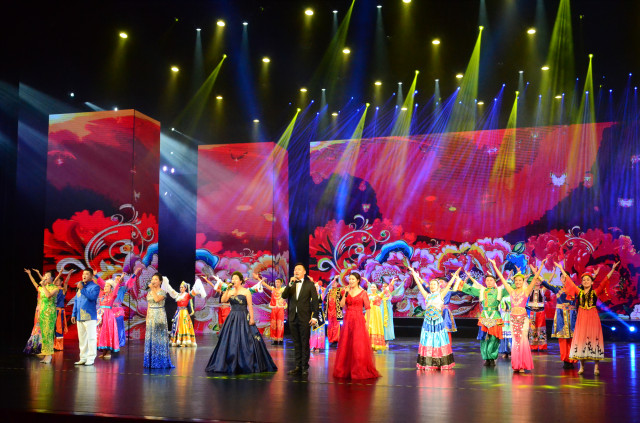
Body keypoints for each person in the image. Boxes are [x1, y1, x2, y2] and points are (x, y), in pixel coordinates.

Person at [555, 261, 619, 375]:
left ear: (592, 282)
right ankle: (582, 366)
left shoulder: (595, 292)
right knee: (582, 340)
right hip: (582, 317)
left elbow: (605, 281)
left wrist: (612, 269)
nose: (585, 281)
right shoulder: (579, 292)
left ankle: (596, 367)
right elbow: (569, 281)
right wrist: (561, 269)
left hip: (593, 317)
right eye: (584, 280)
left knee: (594, 339)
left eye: (588, 280)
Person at [205, 271, 277, 373]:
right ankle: (229, 363)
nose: (233, 280)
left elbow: (250, 306)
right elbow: (223, 300)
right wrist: (227, 290)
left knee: (248, 338)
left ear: (240, 281)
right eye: (232, 278)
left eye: (236, 278)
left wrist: (252, 318)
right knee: (231, 339)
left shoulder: (246, 291)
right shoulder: (230, 291)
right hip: (232, 317)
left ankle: (247, 362)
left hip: (244, 316)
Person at [491, 258, 544, 372]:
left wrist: (541, 266)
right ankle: (516, 364)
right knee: (515, 341)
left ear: (523, 281)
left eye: (520, 280)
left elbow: (535, 278)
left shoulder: (526, 291)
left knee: (523, 340)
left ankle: (523, 365)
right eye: (516, 281)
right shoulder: (511, 291)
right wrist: (495, 266)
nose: (518, 282)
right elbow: (502, 279)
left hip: (523, 320)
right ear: (514, 282)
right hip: (513, 319)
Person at [410, 267, 460, 370]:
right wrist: (414, 275)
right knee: (428, 340)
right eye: (431, 284)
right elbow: (419, 285)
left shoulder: (441, 295)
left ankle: (439, 362)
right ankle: (429, 362)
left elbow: (449, 286)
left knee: (438, 340)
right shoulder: (427, 295)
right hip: (428, 322)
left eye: (434, 284)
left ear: (438, 286)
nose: (432, 286)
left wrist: (454, 277)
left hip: (438, 321)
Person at [332, 273, 380, 379]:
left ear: (358, 280)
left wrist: (368, 322)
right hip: (348, 320)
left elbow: (368, 308)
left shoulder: (363, 293)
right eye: (350, 279)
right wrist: (345, 294)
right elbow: (341, 305)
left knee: (358, 345)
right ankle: (347, 369)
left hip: (359, 320)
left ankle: (358, 369)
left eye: (353, 279)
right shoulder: (345, 291)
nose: (351, 281)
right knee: (347, 344)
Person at [460, 268, 505, 367]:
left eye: (491, 280)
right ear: (485, 282)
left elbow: (510, 289)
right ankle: (486, 358)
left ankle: (492, 357)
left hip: (495, 316)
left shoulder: (499, 291)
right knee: (484, 338)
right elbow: (469, 289)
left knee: (494, 338)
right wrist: (461, 281)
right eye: (487, 280)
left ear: (494, 282)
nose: (489, 282)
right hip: (484, 316)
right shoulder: (482, 291)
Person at [281, 263, 319, 376]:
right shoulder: (292, 284)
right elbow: (284, 296)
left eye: (298, 269)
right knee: (296, 342)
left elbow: (315, 301)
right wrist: (289, 284)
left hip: (305, 317)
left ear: (304, 272)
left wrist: (315, 316)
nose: (296, 271)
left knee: (304, 342)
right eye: (295, 269)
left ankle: (304, 367)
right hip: (293, 317)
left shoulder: (309, 284)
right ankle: (297, 366)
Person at [542, 273, 578, 369]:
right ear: (560, 279)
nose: (564, 279)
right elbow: (546, 284)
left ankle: (572, 359)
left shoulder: (574, 288)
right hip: (561, 316)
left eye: (566, 278)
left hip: (572, 316)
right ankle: (565, 359)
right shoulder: (557, 288)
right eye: (562, 277)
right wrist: (537, 274)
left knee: (572, 338)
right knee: (562, 339)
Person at [163, 279, 206, 347]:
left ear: (185, 288)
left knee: (184, 326)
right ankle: (178, 340)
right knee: (177, 326)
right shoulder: (178, 295)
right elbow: (171, 291)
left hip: (184, 313)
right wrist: (166, 284)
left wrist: (198, 286)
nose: (181, 288)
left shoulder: (187, 295)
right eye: (180, 287)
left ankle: (185, 341)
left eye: (182, 287)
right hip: (178, 312)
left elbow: (194, 291)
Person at [143, 273, 174, 369]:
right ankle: (150, 361)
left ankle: (160, 361)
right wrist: (147, 318)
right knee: (151, 338)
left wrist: (152, 288)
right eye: (152, 279)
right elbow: (149, 305)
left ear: (160, 281)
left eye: (156, 279)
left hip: (159, 316)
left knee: (159, 339)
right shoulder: (149, 292)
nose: (153, 281)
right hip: (151, 316)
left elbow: (156, 299)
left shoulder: (163, 292)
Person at [71, 268, 101, 366]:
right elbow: (76, 301)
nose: (84, 276)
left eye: (87, 274)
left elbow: (92, 297)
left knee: (91, 338)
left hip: (90, 316)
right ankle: (83, 358)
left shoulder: (95, 287)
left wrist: (82, 289)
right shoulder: (80, 286)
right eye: (83, 274)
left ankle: (91, 358)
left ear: (91, 276)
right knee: (82, 339)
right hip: (80, 316)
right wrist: (74, 314)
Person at [96, 275, 123, 358]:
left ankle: (108, 351)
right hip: (101, 315)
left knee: (108, 332)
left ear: (111, 288)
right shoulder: (102, 295)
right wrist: (94, 276)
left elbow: (116, 289)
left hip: (108, 316)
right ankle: (104, 351)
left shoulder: (112, 295)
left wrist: (119, 282)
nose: (105, 287)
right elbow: (98, 285)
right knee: (102, 332)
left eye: (107, 286)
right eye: (105, 286)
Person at [38, 272, 61, 364]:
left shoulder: (55, 288)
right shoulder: (42, 288)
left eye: (48, 276)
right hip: (43, 313)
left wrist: (43, 286)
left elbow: (48, 296)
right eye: (45, 276)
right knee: (44, 334)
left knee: (49, 333)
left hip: (50, 313)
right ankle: (45, 354)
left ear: (52, 278)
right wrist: (39, 312)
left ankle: (49, 355)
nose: (45, 277)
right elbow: (41, 300)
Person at [257, 275, 287, 345]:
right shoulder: (273, 289)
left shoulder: (283, 289)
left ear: (281, 283)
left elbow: (289, 286)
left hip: (280, 308)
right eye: (276, 282)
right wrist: (259, 278)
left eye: (278, 282)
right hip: (274, 308)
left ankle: (280, 339)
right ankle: (274, 339)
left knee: (280, 323)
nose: (277, 283)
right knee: (273, 323)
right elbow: (265, 285)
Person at [23, 269, 44, 355]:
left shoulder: (49, 289)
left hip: (45, 310)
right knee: (37, 327)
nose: (42, 281)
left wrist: (38, 273)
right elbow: (33, 282)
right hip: (39, 310)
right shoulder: (39, 289)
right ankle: (35, 345)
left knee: (43, 328)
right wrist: (30, 274)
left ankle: (42, 346)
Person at [527, 276, 548, 351]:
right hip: (533, 312)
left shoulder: (542, 290)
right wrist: (526, 278)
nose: (536, 282)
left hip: (540, 312)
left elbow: (548, 284)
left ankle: (542, 346)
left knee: (541, 329)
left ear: (540, 282)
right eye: (535, 280)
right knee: (533, 329)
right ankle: (533, 346)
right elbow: (525, 284)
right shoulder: (530, 290)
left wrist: (553, 273)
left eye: (538, 280)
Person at [366, 281, 387, 351]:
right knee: (369, 327)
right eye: (371, 287)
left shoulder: (379, 295)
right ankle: (368, 345)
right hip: (369, 312)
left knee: (375, 327)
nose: (372, 288)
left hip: (376, 313)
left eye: (374, 287)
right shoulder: (368, 295)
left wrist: (392, 283)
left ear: (377, 288)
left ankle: (375, 346)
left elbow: (385, 290)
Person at [53, 272, 71, 351]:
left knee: (59, 328)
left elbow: (66, 282)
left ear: (61, 282)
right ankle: (52, 344)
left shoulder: (63, 290)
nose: (56, 282)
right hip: (52, 310)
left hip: (59, 311)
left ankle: (59, 345)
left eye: (58, 281)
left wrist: (69, 274)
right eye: (56, 280)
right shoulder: (53, 290)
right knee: (52, 328)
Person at [325, 276, 344, 344]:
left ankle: (335, 340)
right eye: (332, 282)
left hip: (336, 310)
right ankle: (330, 339)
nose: (333, 284)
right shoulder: (328, 291)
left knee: (336, 325)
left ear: (337, 283)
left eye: (335, 282)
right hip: (329, 311)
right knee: (330, 325)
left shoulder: (340, 290)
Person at [309, 279, 326, 352]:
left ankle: (318, 346)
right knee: (313, 330)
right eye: (314, 286)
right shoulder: (311, 296)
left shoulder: (321, 295)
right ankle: (313, 345)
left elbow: (327, 289)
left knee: (319, 330)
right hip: (313, 313)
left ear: (319, 288)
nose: (316, 288)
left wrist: (333, 281)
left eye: (317, 286)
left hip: (319, 313)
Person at [381, 278, 396, 346]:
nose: (384, 287)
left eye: (385, 286)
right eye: (383, 286)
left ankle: (387, 341)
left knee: (387, 324)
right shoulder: (381, 294)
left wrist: (392, 282)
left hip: (388, 310)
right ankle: (382, 340)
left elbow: (390, 287)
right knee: (381, 323)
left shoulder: (389, 293)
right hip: (381, 309)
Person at [498, 295, 512, 359]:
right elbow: (502, 308)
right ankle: (505, 351)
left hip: (511, 316)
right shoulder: (503, 297)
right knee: (505, 335)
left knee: (511, 334)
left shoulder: (514, 296)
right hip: (505, 316)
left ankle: (512, 351)